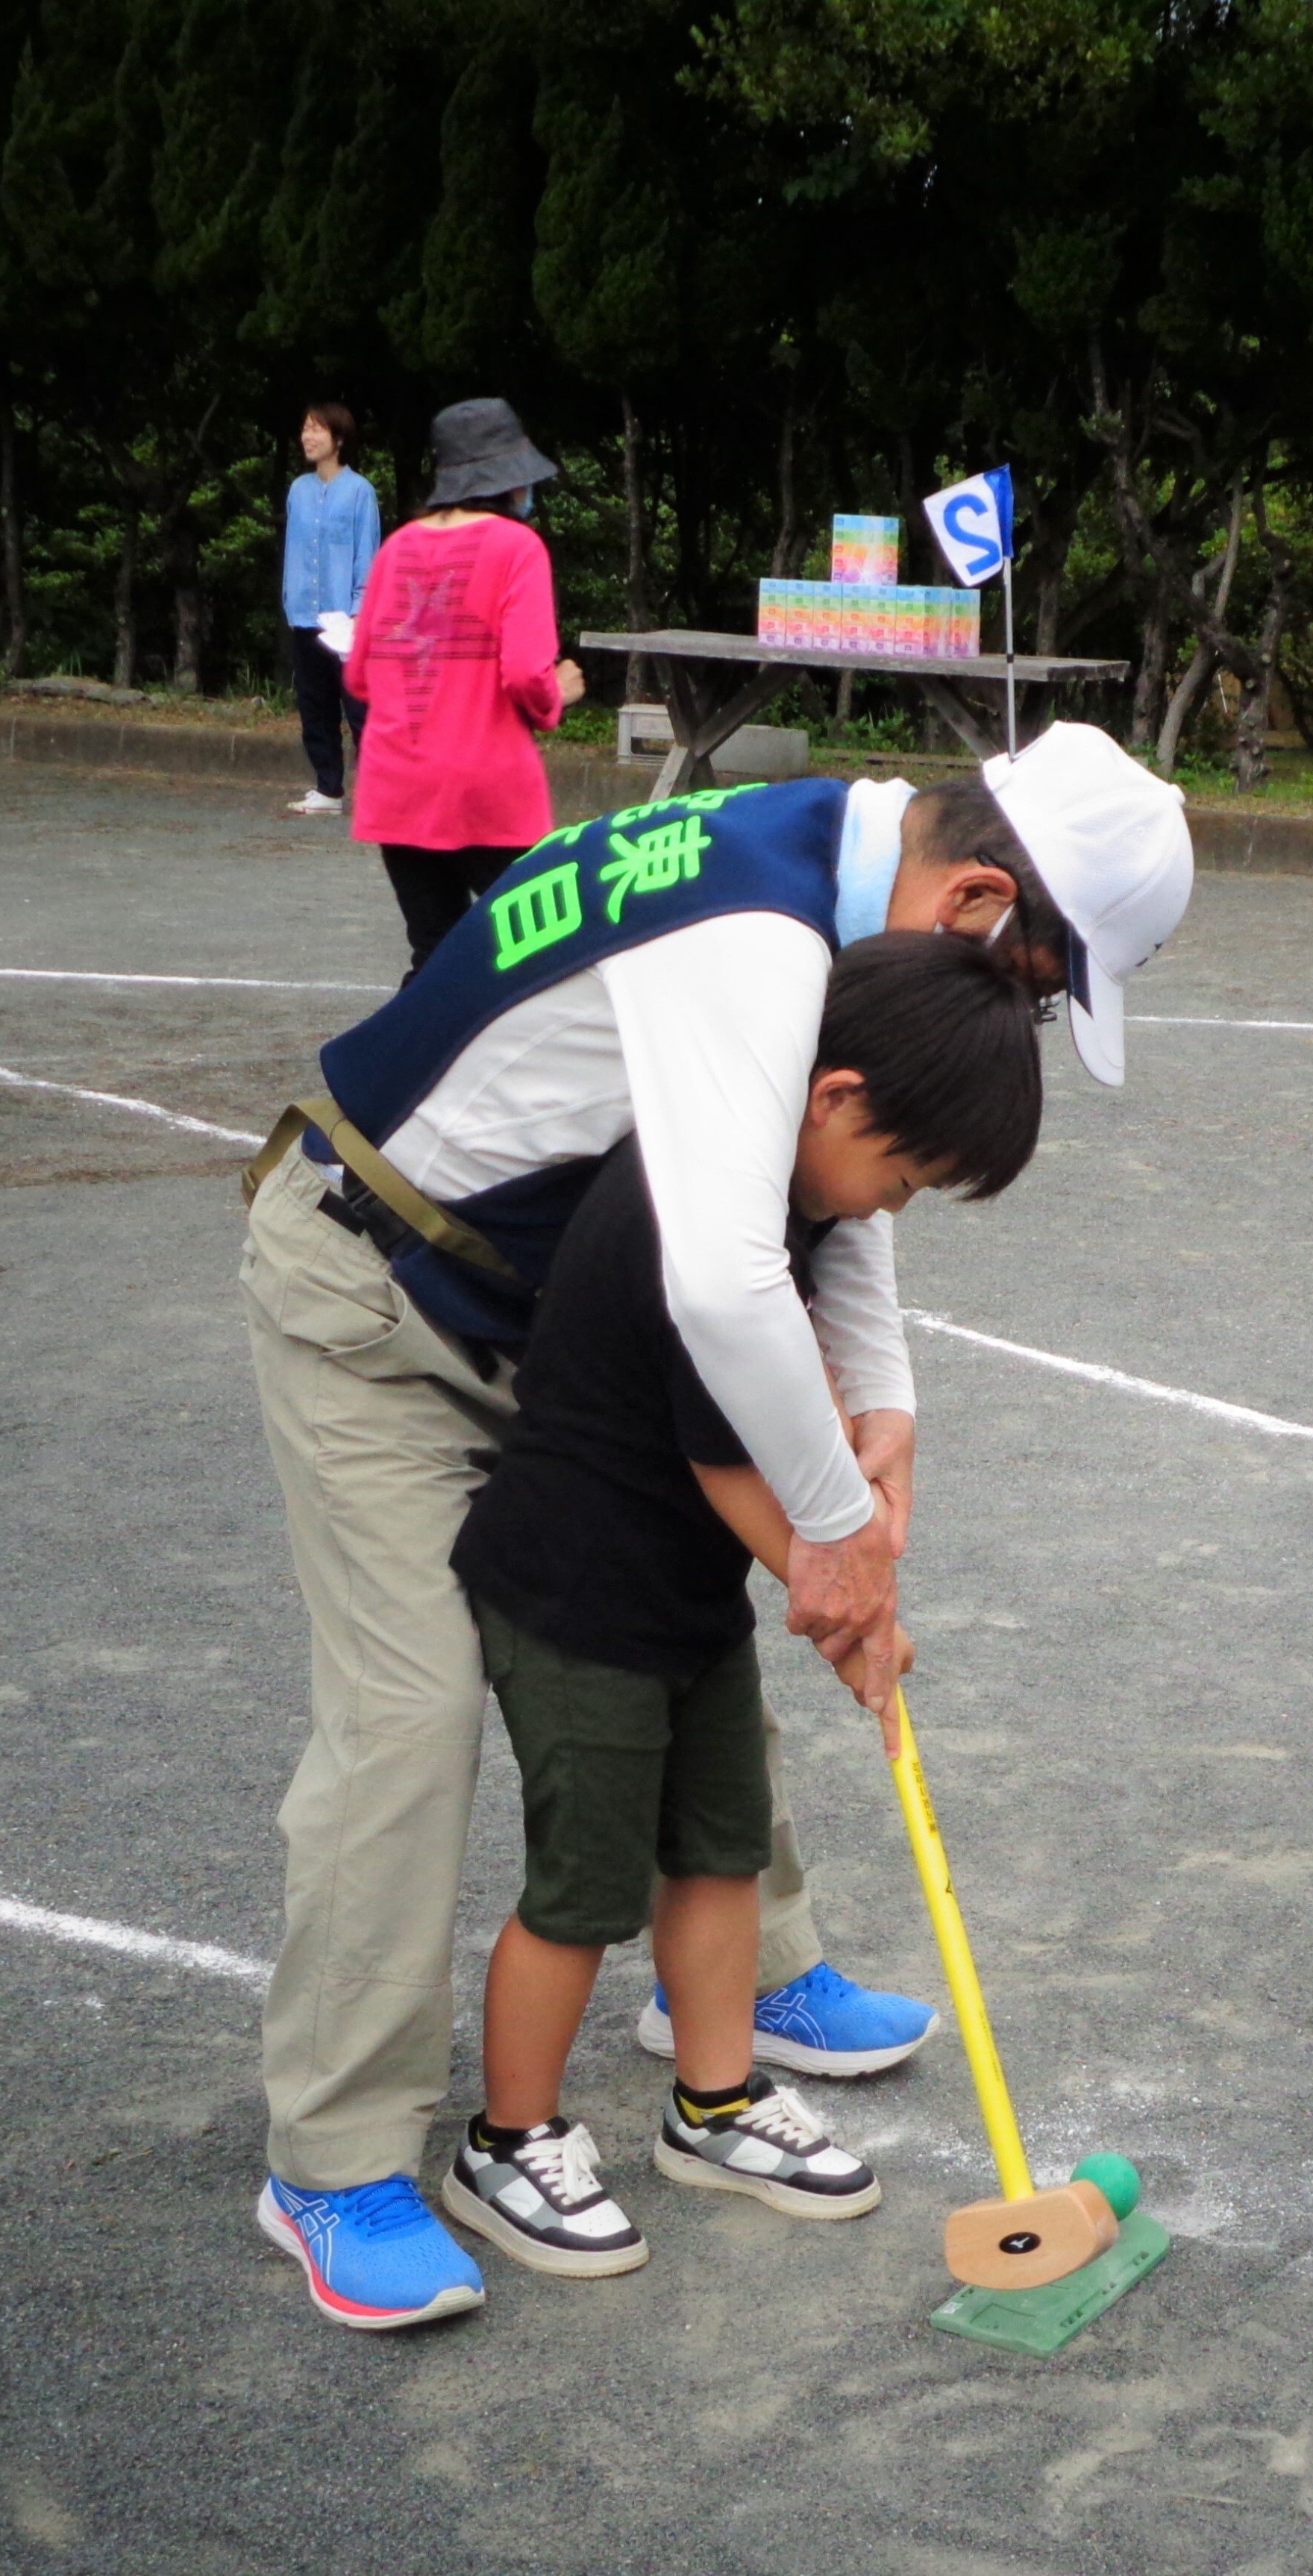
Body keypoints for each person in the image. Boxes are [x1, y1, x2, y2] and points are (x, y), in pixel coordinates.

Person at [239, 721, 1191, 2329]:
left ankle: (749, 1983)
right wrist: (838, 1530)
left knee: (670, 1632)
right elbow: (723, 1275)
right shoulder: (753, 926)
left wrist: (881, 1409)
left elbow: (823, 1181)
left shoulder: (837, 872)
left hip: (553, 1311)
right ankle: (330, 2162)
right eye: (1031, 983)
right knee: (408, 1717)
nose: (1011, 1018)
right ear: (968, 901)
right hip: (378, 1293)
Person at [440, 932, 1046, 2274]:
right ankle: (507, 2140)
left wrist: (860, 1498)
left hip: (680, 1599)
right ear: (831, 1097)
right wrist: (846, 1599)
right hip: (579, 1596)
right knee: (581, 1889)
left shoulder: (789, 1193)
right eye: (897, 1174)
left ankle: (712, 2101)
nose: (886, 1209)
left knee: (718, 1846)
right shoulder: (705, 1220)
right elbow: (727, 1458)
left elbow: (799, 1405)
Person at [347, 398, 589, 971]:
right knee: (538, 953)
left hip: (398, 785)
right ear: (511, 482)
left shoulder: (396, 548)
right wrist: (557, 693)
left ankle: (404, 1062)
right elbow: (528, 672)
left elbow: (360, 675)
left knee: (435, 955)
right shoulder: (517, 548)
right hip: (487, 788)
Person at [280, 402, 381, 820]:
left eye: (317, 430)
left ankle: (380, 795)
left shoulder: (360, 491)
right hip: (305, 616)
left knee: (360, 709)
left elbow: (367, 554)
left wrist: (360, 611)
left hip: (347, 621)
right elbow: (293, 551)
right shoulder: (298, 491)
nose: (308, 437)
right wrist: (291, 600)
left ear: (338, 439)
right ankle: (328, 789)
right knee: (314, 705)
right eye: (305, 429)